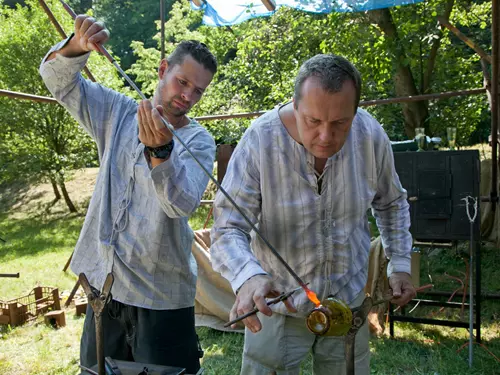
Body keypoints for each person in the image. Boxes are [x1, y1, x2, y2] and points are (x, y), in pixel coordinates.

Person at [210, 54, 416, 375]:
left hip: (347, 303)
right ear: (295, 105)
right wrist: (248, 277)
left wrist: (400, 265)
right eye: (313, 121)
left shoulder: (370, 136)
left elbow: (391, 203)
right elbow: (227, 227)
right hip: (278, 304)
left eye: (339, 123)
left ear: (355, 111)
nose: (325, 136)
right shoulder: (261, 140)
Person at [39, 15, 217, 373]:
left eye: (198, 90)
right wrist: (77, 45)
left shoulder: (198, 140)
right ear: (163, 69)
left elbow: (178, 204)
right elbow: (57, 80)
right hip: (103, 289)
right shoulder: (117, 111)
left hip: (161, 295)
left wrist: (161, 154)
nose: (187, 96)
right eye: (182, 82)